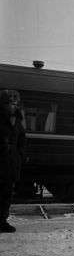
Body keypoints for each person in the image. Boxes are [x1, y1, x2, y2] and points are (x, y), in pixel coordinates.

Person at [0, 90, 26, 233]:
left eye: (16, 104)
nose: (14, 106)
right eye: (11, 104)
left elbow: (22, 138)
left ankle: (3, 221)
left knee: (7, 192)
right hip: (2, 158)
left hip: (12, 161)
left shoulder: (17, 119)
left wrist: (21, 154)